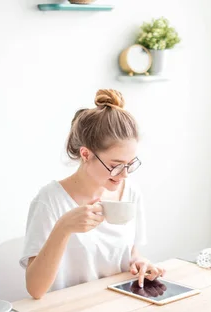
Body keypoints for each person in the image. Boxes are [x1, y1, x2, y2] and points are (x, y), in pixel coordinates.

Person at [19, 89, 165, 300]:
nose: (124, 174)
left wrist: (138, 263)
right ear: (86, 154)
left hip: (117, 305)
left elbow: (130, 253)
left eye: (129, 164)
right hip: (69, 311)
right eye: (115, 165)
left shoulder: (131, 192)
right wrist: (64, 227)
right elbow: (35, 289)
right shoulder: (50, 201)